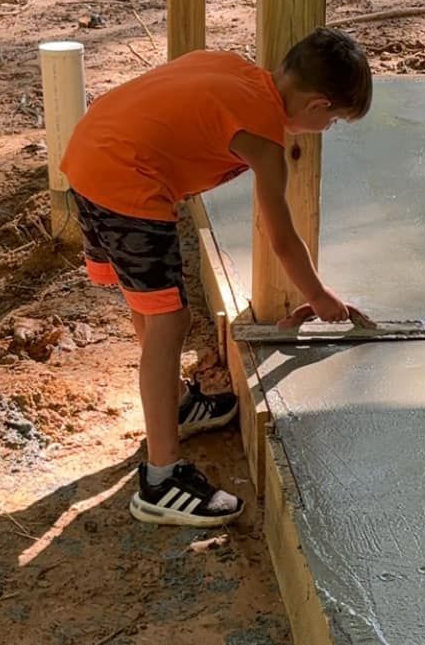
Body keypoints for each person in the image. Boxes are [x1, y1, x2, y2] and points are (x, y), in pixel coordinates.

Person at [62, 27, 373, 527]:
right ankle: (162, 480)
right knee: (171, 322)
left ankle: (176, 406)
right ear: (317, 106)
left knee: (153, 304)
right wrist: (319, 296)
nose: (327, 128)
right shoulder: (265, 141)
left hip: (90, 152)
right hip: (128, 181)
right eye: (332, 120)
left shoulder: (234, 68)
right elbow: (282, 239)